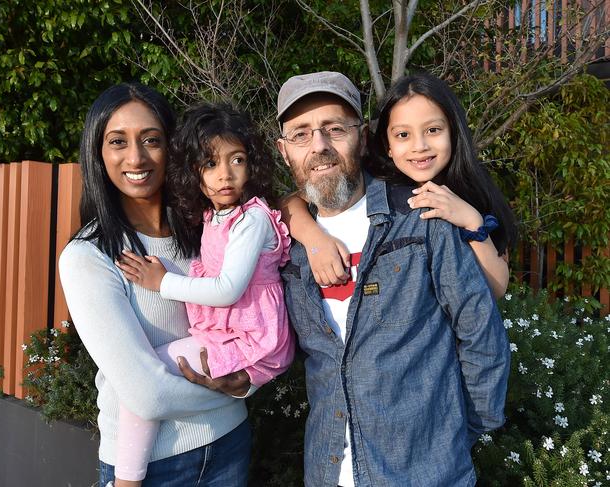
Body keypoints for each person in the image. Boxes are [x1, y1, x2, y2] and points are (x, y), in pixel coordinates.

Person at [275, 71, 511, 486]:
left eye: (334, 129)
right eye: (301, 134)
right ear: (284, 151)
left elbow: (480, 331)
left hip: (427, 472)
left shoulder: (423, 217)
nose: (320, 146)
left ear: (363, 136)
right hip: (327, 471)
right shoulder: (282, 243)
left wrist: (456, 435)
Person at [58, 84, 253, 487]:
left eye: (151, 140)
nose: (136, 157)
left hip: (231, 444)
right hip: (153, 468)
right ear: (98, 154)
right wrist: (240, 388)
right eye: (118, 142)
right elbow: (147, 395)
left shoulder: (210, 231)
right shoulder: (90, 257)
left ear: (172, 148)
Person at [112, 102, 295, 485]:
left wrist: (162, 283)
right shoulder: (215, 217)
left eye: (237, 160)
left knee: (143, 377)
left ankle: (126, 481)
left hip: (251, 339)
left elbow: (228, 290)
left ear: (253, 164)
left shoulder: (253, 218)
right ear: (193, 171)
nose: (225, 175)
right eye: (210, 164)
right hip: (230, 335)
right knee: (135, 383)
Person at [282, 73, 516, 299]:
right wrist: (314, 240)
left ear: (454, 132)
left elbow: (496, 288)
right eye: (403, 134)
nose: (419, 146)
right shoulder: (377, 183)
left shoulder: (472, 190)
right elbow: (290, 201)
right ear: (387, 144)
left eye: (433, 130)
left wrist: (471, 221)